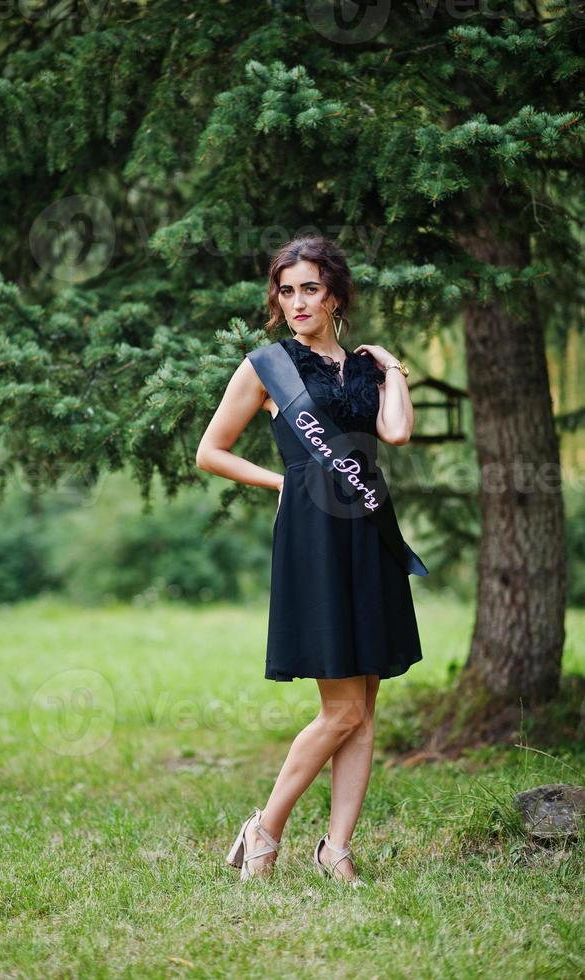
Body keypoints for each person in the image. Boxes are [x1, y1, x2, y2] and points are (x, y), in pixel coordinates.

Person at [195, 235, 425, 886]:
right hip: (315, 535)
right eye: (286, 290)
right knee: (342, 709)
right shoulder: (268, 367)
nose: (296, 302)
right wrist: (285, 483)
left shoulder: (366, 368)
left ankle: (337, 850)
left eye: (310, 290)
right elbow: (211, 451)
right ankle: (264, 830)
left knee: (366, 702)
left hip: (370, 529)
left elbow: (397, 433)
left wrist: (394, 368)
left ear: (336, 296)